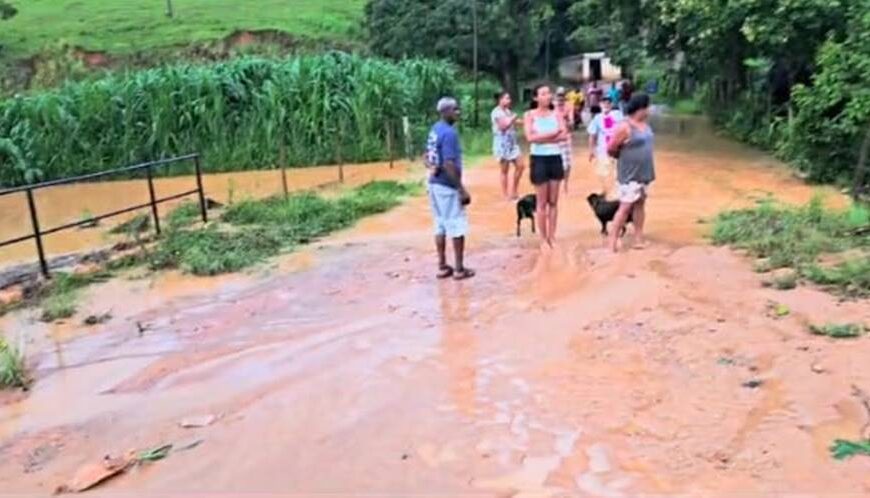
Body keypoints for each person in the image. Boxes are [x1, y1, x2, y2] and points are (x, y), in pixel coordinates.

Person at [426, 97, 475, 280]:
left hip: (433, 183)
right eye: (455, 109)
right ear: (445, 112)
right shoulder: (449, 133)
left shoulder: (435, 130)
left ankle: (442, 265)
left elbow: (427, 157)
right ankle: (459, 269)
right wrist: (461, 189)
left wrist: (431, 167)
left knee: (439, 224)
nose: (458, 112)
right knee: (456, 225)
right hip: (447, 185)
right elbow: (448, 163)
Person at [607, 94, 655, 253]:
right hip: (629, 173)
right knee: (625, 206)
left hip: (645, 172)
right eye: (648, 107)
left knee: (640, 203)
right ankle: (612, 240)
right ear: (640, 108)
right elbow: (611, 147)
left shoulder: (645, 125)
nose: (649, 110)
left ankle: (638, 239)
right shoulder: (624, 126)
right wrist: (622, 157)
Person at [524, 84, 569, 250]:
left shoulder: (556, 114)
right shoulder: (529, 115)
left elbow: (564, 135)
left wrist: (541, 137)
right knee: (541, 203)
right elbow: (530, 137)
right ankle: (543, 239)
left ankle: (552, 236)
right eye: (543, 94)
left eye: (548, 93)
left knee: (553, 202)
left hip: (555, 158)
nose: (548, 96)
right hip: (539, 159)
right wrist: (553, 134)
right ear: (535, 98)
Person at [491, 91, 524, 200]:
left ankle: (514, 190)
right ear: (500, 100)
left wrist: (527, 121)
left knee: (520, 166)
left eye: (509, 98)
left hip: (512, 144)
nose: (509, 100)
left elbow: (515, 122)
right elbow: (503, 126)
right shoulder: (496, 112)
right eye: (506, 98)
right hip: (502, 144)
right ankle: (505, 194)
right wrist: (513, 118)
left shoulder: (508, 111)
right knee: (504, 170)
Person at [587, 96, 624, 194]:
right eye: (604, 103)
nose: (606, 105)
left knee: (618, 171)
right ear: (600, 105)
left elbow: (625, 130)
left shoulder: (618, 115)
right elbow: (592, 135)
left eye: (608, 103)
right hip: (603, 149)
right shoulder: (597, 118)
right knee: (603, 172)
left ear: (611, 105)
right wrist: (591, 150)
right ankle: (606, 190)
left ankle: (617, 192)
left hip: (618, 149)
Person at [554, 87, 574, 194]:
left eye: (562, 96)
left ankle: (565, 183)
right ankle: (557, 184)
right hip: (554, 137)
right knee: (556, 162)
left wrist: (567, 120)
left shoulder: (569, 106)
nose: (560, 98)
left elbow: (572, 124)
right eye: (559, 96)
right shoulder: (552, 107)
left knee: (567, 164)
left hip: (565, 137)